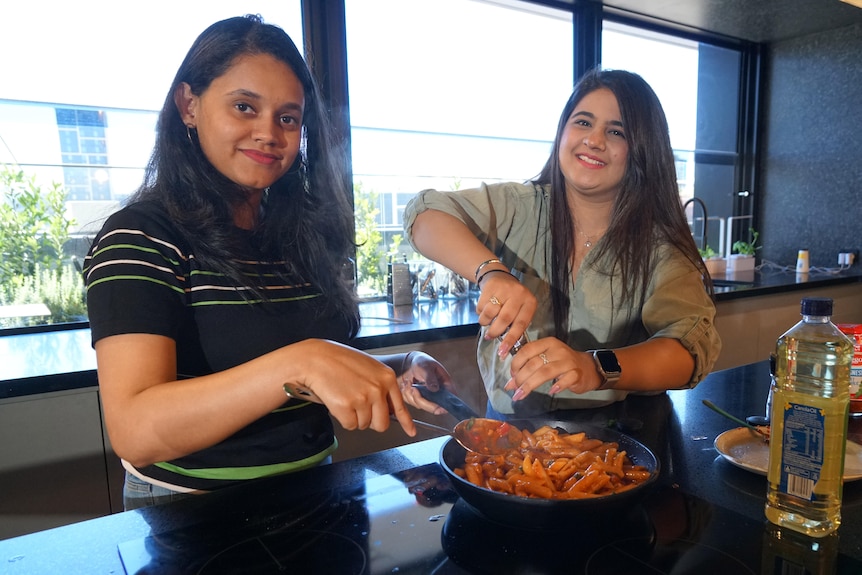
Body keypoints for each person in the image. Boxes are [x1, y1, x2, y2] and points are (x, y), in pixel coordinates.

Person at [83, 14, 453, 509]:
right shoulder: (142, 235)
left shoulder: (299, 233)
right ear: (188, 105)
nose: (269, 133)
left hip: (314, 488)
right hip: (190, 509)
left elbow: (294, 381)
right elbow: (136, 430)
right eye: (244, 107)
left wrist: (394, 368)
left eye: (288, 117)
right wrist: (303, 358)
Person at [404, 68, 721, 418]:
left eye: (616, 131)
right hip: (510, 424)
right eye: (583, 122)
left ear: (643, 151)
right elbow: (425, 213)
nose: (594, 140)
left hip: (623, 432)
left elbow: (689, 350)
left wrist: (595, 367)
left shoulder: (660, 247)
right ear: (562, 133)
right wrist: (491, 272)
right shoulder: (519, 206)